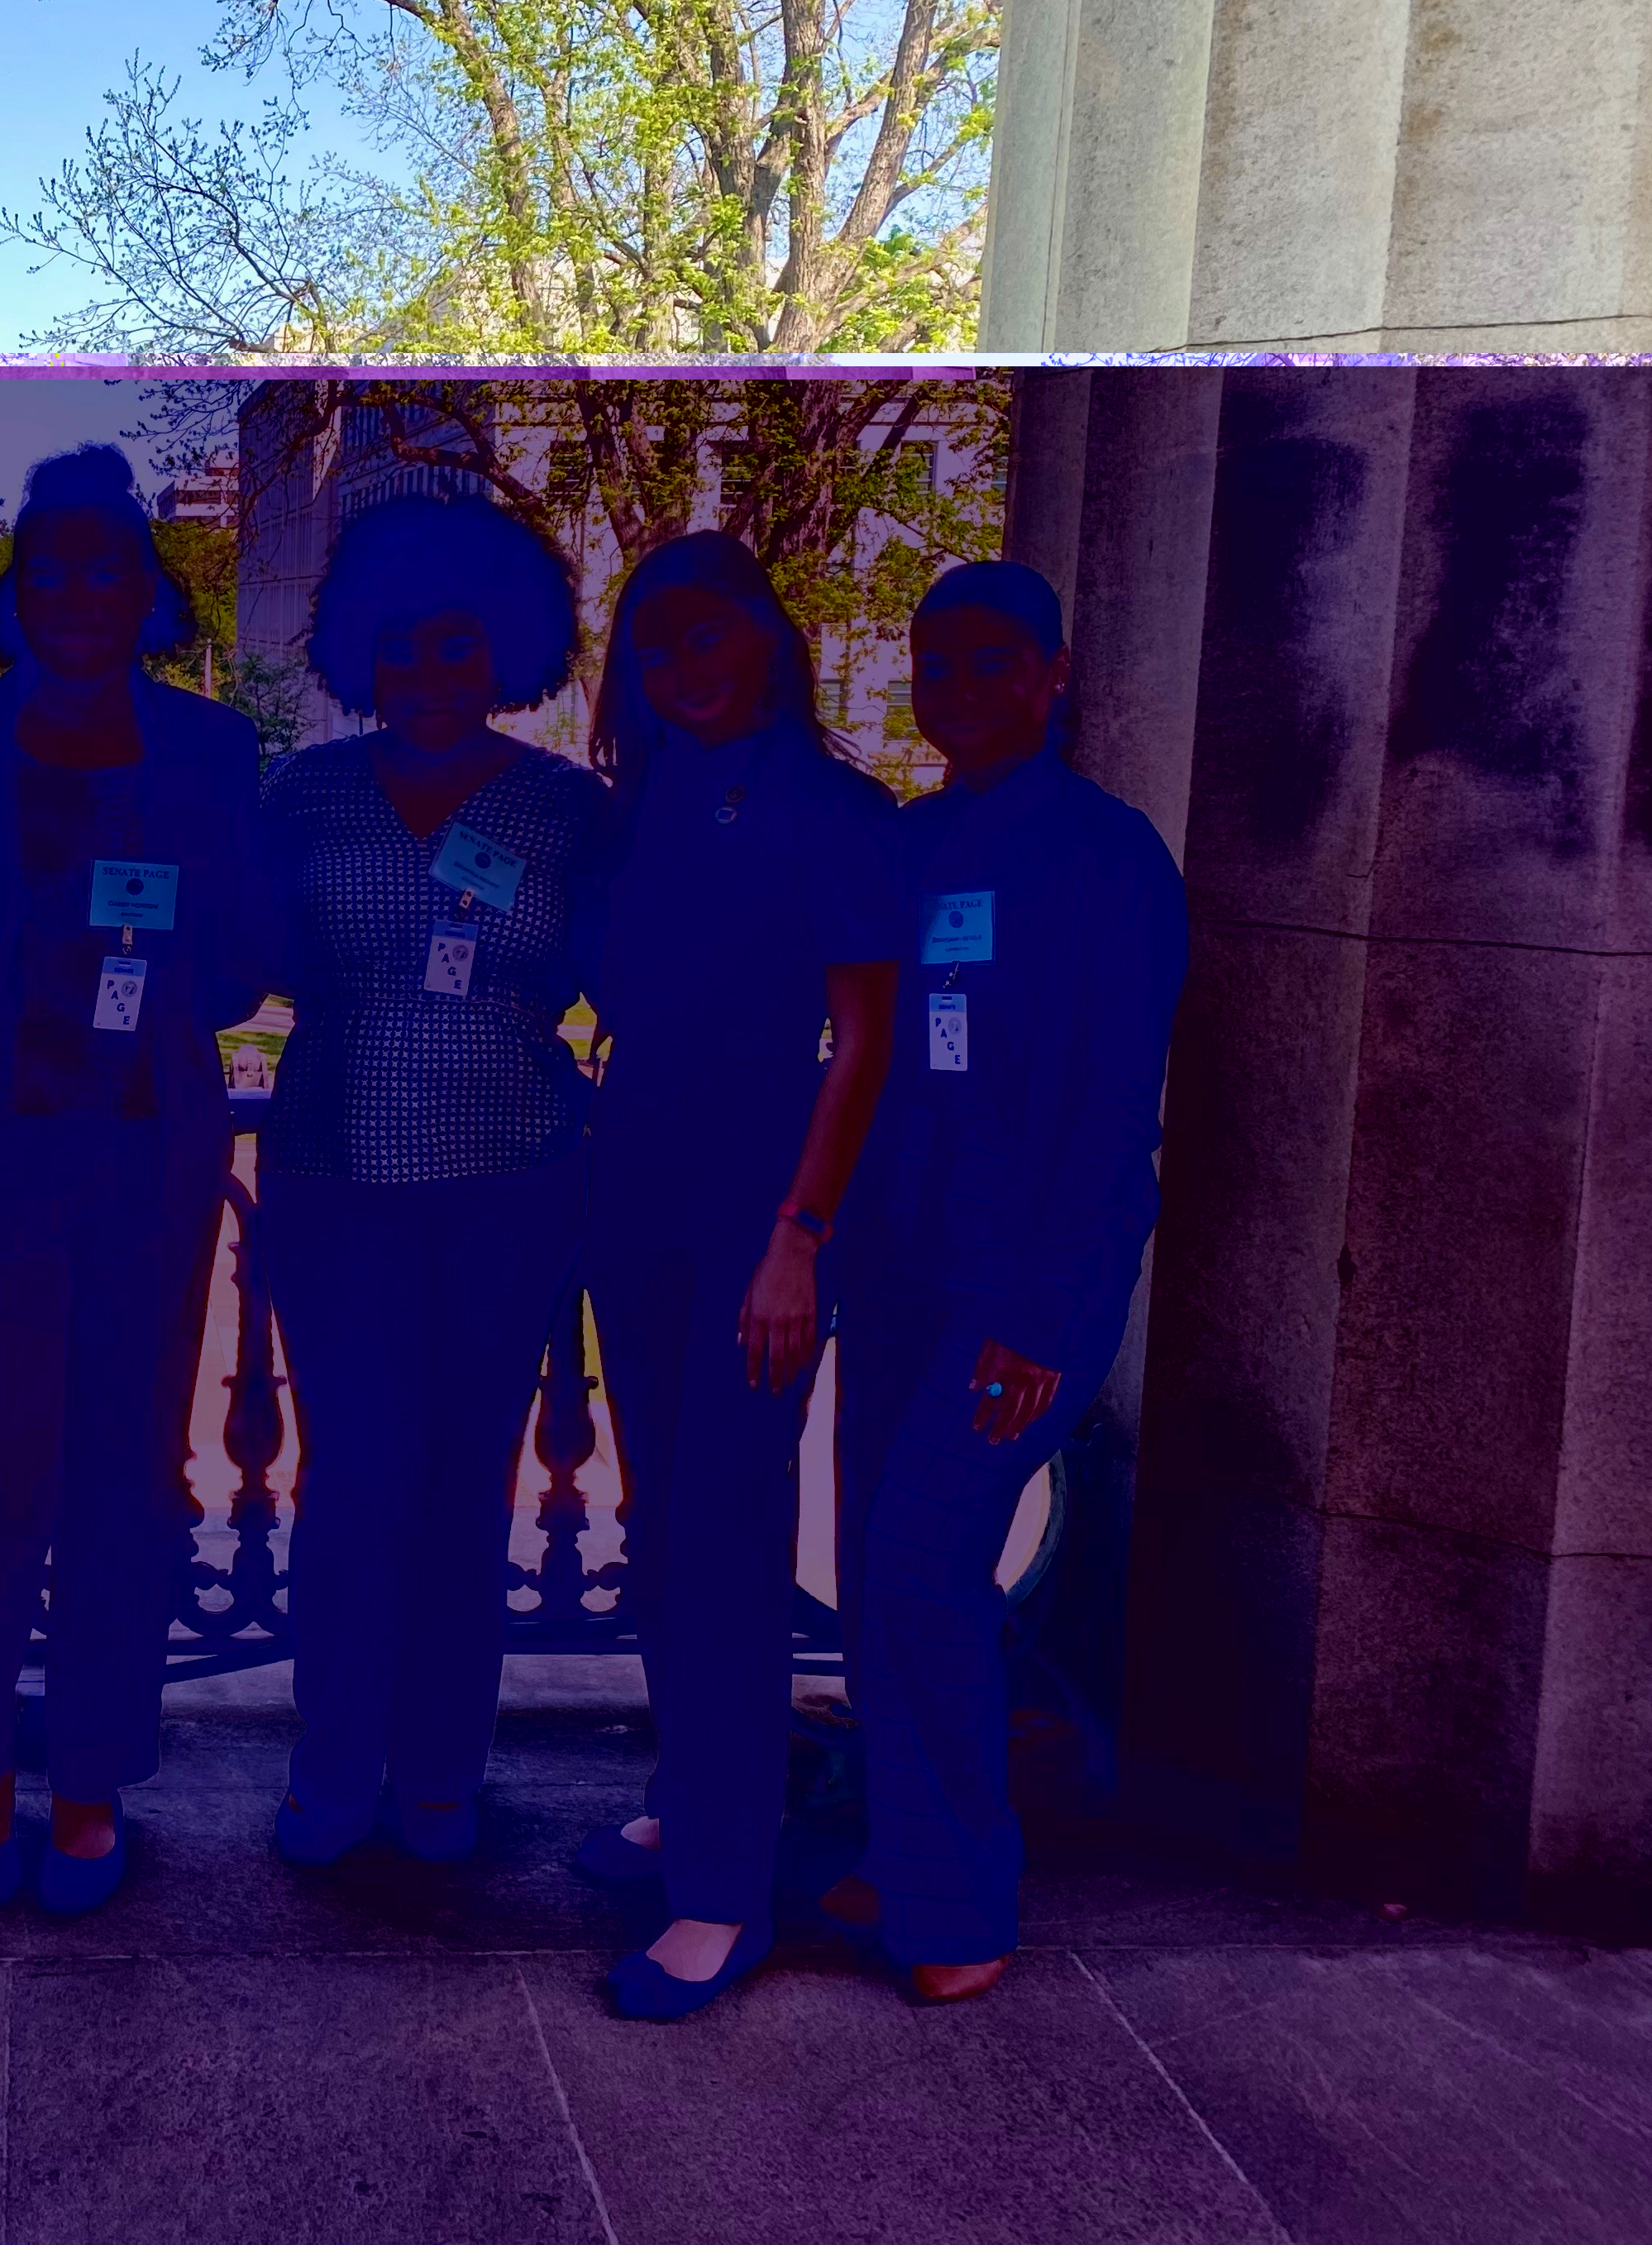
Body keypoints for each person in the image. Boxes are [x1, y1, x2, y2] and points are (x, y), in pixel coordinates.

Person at [0, 446, 265, 1916]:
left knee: (126, 1477)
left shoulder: (216, 757)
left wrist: (167, 944)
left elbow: (239, 974)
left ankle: (90, 1774)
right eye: (53, 561)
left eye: (110, 561)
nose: (82, 587)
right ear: (16, 586)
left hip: (147, 1170)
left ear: (147, 586)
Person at [825, 560, 1186, 2004]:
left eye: (994, 662)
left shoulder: (1111, 858)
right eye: (938, 661)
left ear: (1052, 677)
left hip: (1018, 1291)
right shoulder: (908, 849)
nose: (961, 687)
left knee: (919, 1562)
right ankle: (905, 1837)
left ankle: (960, 1898)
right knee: (879, 1571)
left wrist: (1045, 1313)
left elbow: (1114, 1106)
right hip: (897, 1272)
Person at [567, 531, 904, 2022]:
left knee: (725, 1528)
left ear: (766, 636)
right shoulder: (636, 810)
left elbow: (867, 1042)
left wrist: (798, 1234)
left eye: (711, 636)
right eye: (657, 644)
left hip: (759, 1195)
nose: (686, 667)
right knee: (664, 1517)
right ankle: (690, 1793)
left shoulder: (835, 807)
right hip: (634, 1172)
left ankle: (723, 1887)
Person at [254, 494, 614, 1868]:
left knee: (470, 1480)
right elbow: (242, 952)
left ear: (505, 653)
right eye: (401, 647)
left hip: (514, 1177)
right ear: (363, 654)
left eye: (458, 647)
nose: (428, 674)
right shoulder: (303, 796)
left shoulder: (567, 809)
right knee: (354, 1475)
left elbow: (620, 975)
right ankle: (334, 1761)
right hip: (335, 1171)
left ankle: (444, 1769)